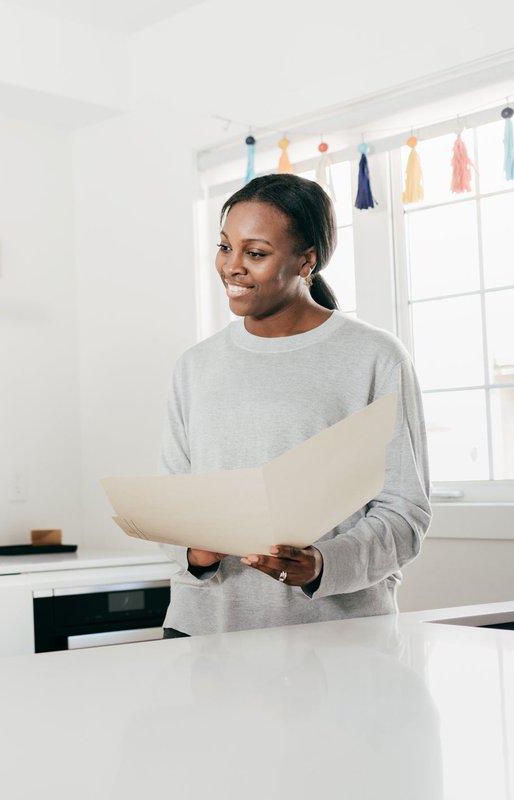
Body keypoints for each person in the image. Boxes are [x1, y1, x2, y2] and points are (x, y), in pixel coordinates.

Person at [158, 173, 431, 637]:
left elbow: (404, 511)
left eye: (256, 253)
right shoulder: (195, 366)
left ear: (307, 261)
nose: (232, 267)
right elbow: (170, 501)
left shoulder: (373, 356)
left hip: (337, 636)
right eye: (225, 247)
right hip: (204, 634)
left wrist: (320, 564)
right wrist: (193, 552)